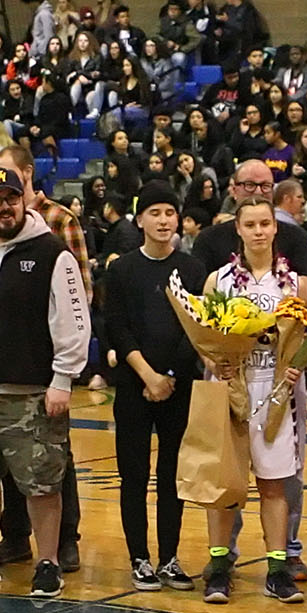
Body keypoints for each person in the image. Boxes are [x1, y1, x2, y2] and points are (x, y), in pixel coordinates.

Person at [0, 169, 91, 600]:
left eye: (12, 198)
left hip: (30, 394)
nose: (5, 207)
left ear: (24, 201)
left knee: (42, 483)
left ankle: (48, 562)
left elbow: (74, 319)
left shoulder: (52, 252)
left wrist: (63, 379)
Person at [195, 198, 307, 605]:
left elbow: (301, 340)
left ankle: (278, 568)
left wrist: (296, 365)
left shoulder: (293, 283)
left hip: (276, 392)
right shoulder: (219, 281)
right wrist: (216, 362)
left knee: (273, 484)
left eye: (265, 223)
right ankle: (219, 565)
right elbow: (204, 339)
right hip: (231, 388)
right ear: (239, 230)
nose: (259, 230)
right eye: (251, 224)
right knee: (225, 482)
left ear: (275, 229)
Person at [98, 182, 205, 591]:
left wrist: (171, 377)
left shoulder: (192, 270)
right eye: (155, 213)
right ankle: (139, 557)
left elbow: (193, 329)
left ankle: (170, 556)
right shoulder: (122, 269)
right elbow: (117, 327)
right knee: (134, 474)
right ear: (140, 219)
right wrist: (147, 376)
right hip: (134, 387)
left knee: (172, 475)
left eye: (170, 213)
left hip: (179, 387)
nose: (163, 221)